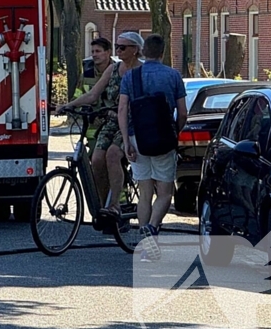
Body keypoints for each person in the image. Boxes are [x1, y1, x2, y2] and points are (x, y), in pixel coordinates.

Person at [118, 33, 187, 262]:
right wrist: (175, 132)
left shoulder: (131, 76)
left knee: (145, 192)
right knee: (165, 193)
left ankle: (145, 243)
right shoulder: (173, 75)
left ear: (143, 52)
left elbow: (122, 110)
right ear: (162, 52)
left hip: (138, 138)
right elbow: (183, 112)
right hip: (164, 139)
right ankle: (153, 227)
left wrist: (126, 141)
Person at [59, 32, 143, 218]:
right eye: (117, 46)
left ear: (135, 50)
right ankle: (104, 206)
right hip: (112, 122)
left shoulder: (142, 70)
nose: (118, 50)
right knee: (96, 160)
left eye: (122, 47)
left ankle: (115, 205)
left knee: (113, 155)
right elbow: (92, 94)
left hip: (132, 124)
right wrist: (69, 105)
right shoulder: (113, 69)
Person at [72, 37, 114, 145]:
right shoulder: (86, 76)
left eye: (98, 51)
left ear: (108, 52)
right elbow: (77, 99)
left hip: (115, 130)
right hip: (93, 133)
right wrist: (88, 116)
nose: (94, 55)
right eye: (93, 52)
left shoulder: (118, 73)